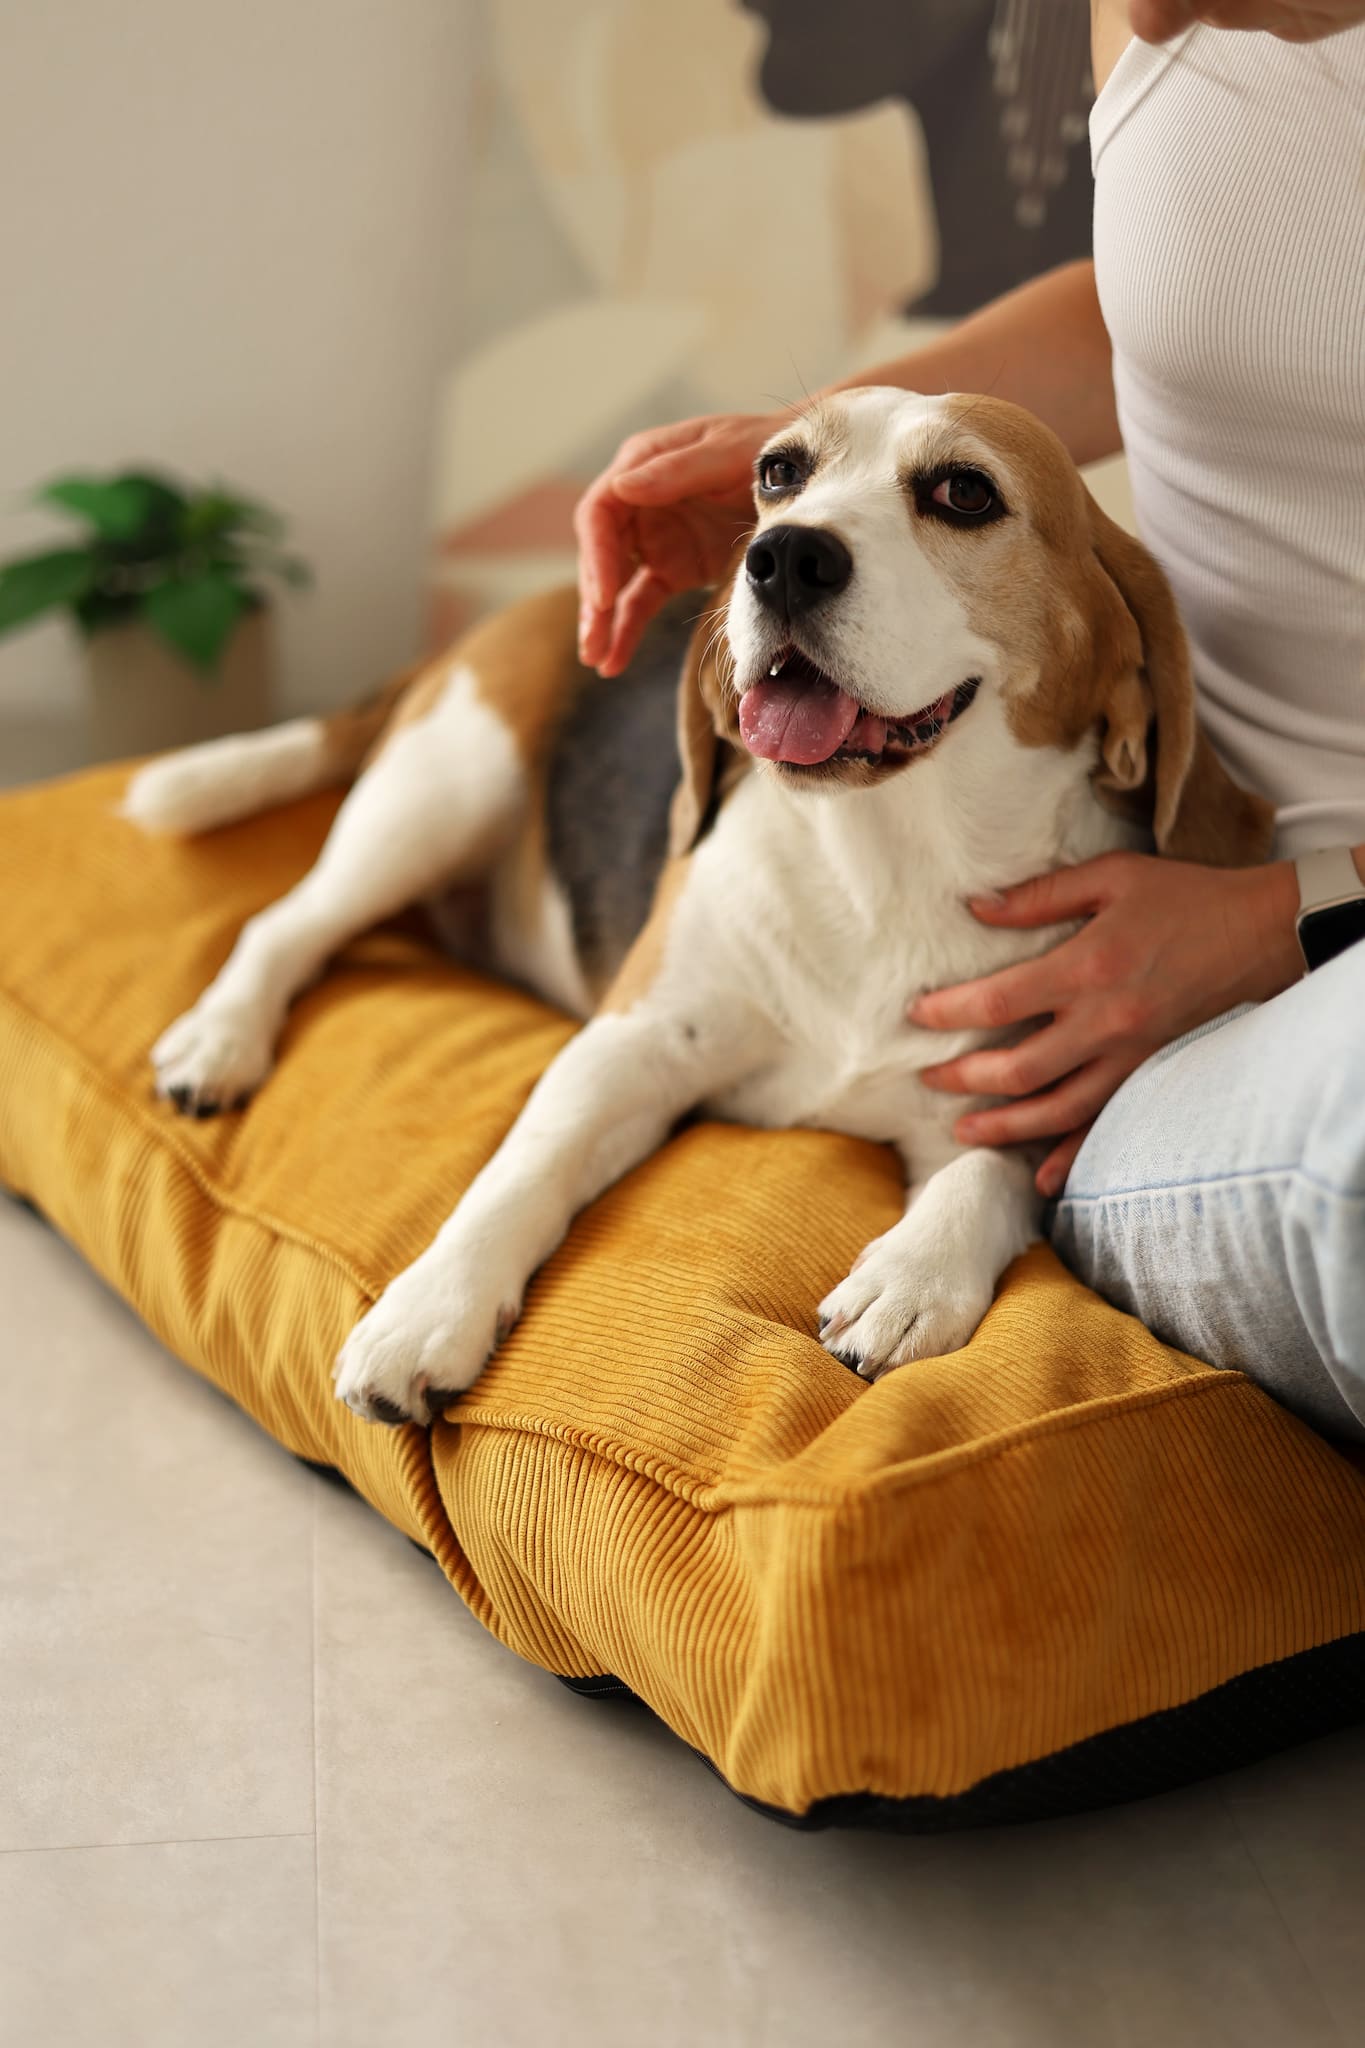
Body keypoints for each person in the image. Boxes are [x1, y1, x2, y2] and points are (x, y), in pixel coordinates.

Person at [573, 0, 1365, 1441]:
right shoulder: (1134, 17)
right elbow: (1191, 293)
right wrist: (824, 458)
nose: (1138, 13)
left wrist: (1292, 911)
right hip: (1156, 979)